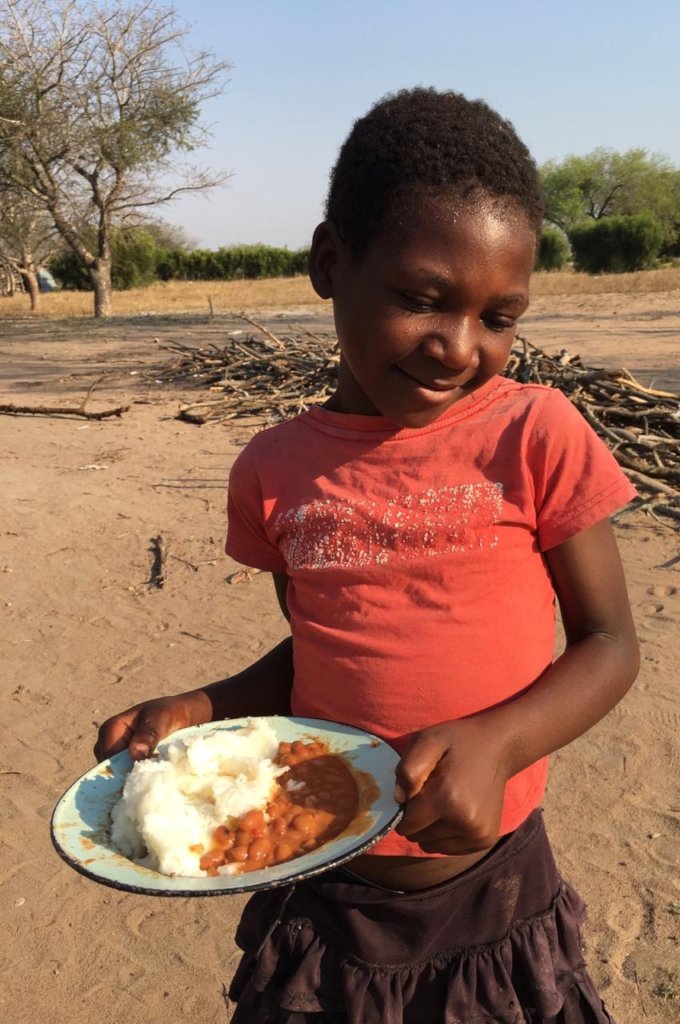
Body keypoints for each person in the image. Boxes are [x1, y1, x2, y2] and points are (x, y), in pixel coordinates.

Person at [96, 87, 640, 1023]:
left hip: (493, 891)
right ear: (328, 262)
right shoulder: (273, 471)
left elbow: (609, 643)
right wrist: (202, 705)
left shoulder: (536, 435)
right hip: (323, 885)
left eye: (498, 317)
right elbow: (317, 652)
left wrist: (499, 743)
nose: (458, 348)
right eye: (421, 298)